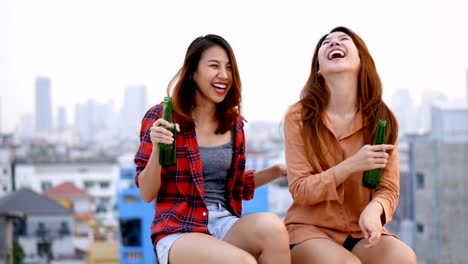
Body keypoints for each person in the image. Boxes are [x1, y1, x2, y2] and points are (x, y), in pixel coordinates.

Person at [134, 34, 291, 264]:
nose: (224, 75)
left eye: (228, 67)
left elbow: (235, 185)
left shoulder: (233, 123)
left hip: (224, 222)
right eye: (214, 66)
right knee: (243, 262)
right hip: (179, 229)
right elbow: (147, 193)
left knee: (274, 229)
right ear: (192, 72)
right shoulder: (161, 116)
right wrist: (158, 149)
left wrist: (275, 171)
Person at [283, 26, 417, 264]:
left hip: (361, 230)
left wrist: (375, 210)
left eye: (344, 40)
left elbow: (388, 188)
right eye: (326, 42)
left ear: (361, 60)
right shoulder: (298, 117)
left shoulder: (382, 119)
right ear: (319, 70)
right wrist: (351, 165)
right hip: (309, 230)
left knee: (403, 258)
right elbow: (300, 189)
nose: (334, 43)